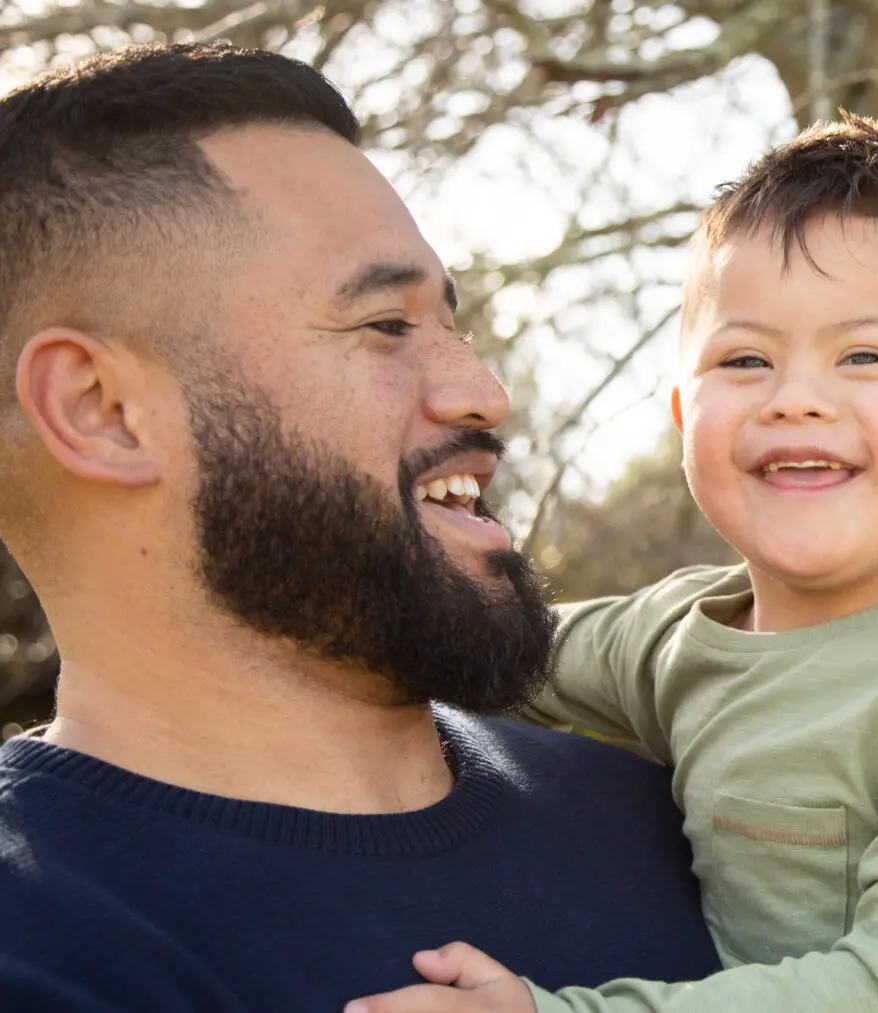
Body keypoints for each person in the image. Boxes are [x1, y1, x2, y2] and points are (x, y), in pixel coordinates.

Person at [0, 42, 721, 1011]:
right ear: (103, 410)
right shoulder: (40, 947)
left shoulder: (695, 816)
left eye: (450, 323)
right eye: (386, 325)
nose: (484, 392)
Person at [348, 116, 878, 1013]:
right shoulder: (675, 638)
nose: (796, 399)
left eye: (865, 355)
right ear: (682, 410)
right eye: (745, 358)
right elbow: (501, 653)